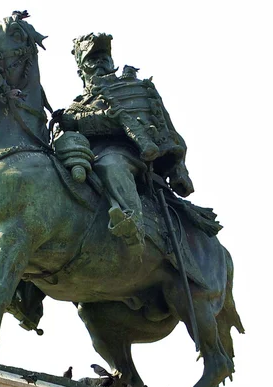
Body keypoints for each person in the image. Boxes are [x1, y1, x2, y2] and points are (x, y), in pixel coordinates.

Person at [57, 33, 194, 252]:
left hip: (130, 155)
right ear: (81, 70)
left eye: (104, 57)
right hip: (84, 157)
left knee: (111, 164)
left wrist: (179, 169)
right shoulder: (76, 106)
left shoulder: (138, 89)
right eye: (92, 59)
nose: (100, 62)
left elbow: (168, 131)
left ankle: (131, 222)